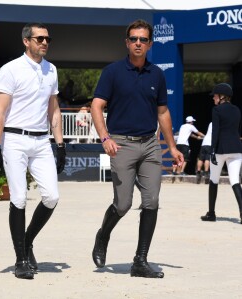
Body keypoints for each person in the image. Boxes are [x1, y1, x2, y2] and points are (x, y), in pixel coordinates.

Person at [90, 19, 183, 278]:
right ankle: (103, 234)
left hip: (151, 145)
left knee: (151, 201)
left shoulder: (157, 74)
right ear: (127, 42)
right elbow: (97, 106)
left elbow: (162, 112)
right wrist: (105, 137)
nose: (138, 43)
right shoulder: (112, 72)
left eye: (143, 39)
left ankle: (140, 261)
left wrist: (172, 147)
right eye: (134, 39)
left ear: (150, 44)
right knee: (123, 203)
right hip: (121, 144)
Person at [0, 22, 66, 280]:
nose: (44, 42)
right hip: (15, 140)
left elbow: (54, 108)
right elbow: (0, 112)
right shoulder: (10, 70)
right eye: (39, 38)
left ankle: (27, 241)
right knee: (18, 198)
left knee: (52, 196)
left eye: (47, 39)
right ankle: (21, 259)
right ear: (26, 41)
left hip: (42, 141)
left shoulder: (51, 70)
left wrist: (60, 144)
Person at [201, 83, 242, 224]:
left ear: (222, 97)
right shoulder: (237, 110)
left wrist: (212, 151)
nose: (213, 98)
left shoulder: (217, 110)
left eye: (215, 96)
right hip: (237, 149)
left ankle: (211, 213)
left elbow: (216, 131)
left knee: (213, 180)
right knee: (235, 181)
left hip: (220, 150)